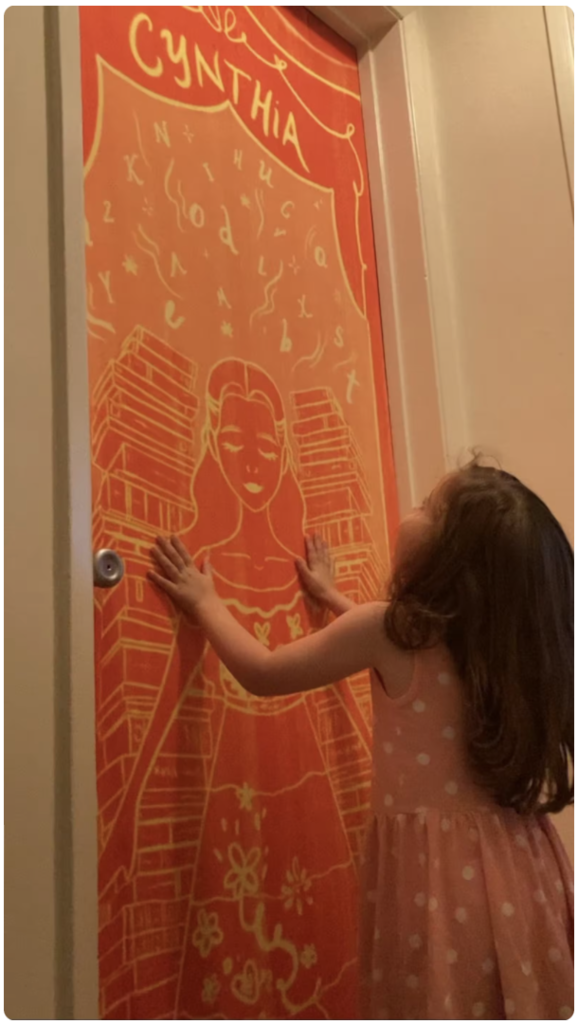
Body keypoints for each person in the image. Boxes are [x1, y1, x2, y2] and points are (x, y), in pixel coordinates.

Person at [149, 459, 574, 1020]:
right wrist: (332, 598)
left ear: (452, 563)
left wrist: (205, 602)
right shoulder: (504, 653)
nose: (413, 511)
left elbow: (264, 672)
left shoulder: (387, 631)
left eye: (429, 507)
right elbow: (403, 648)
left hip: (438, 885)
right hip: (524, 872)